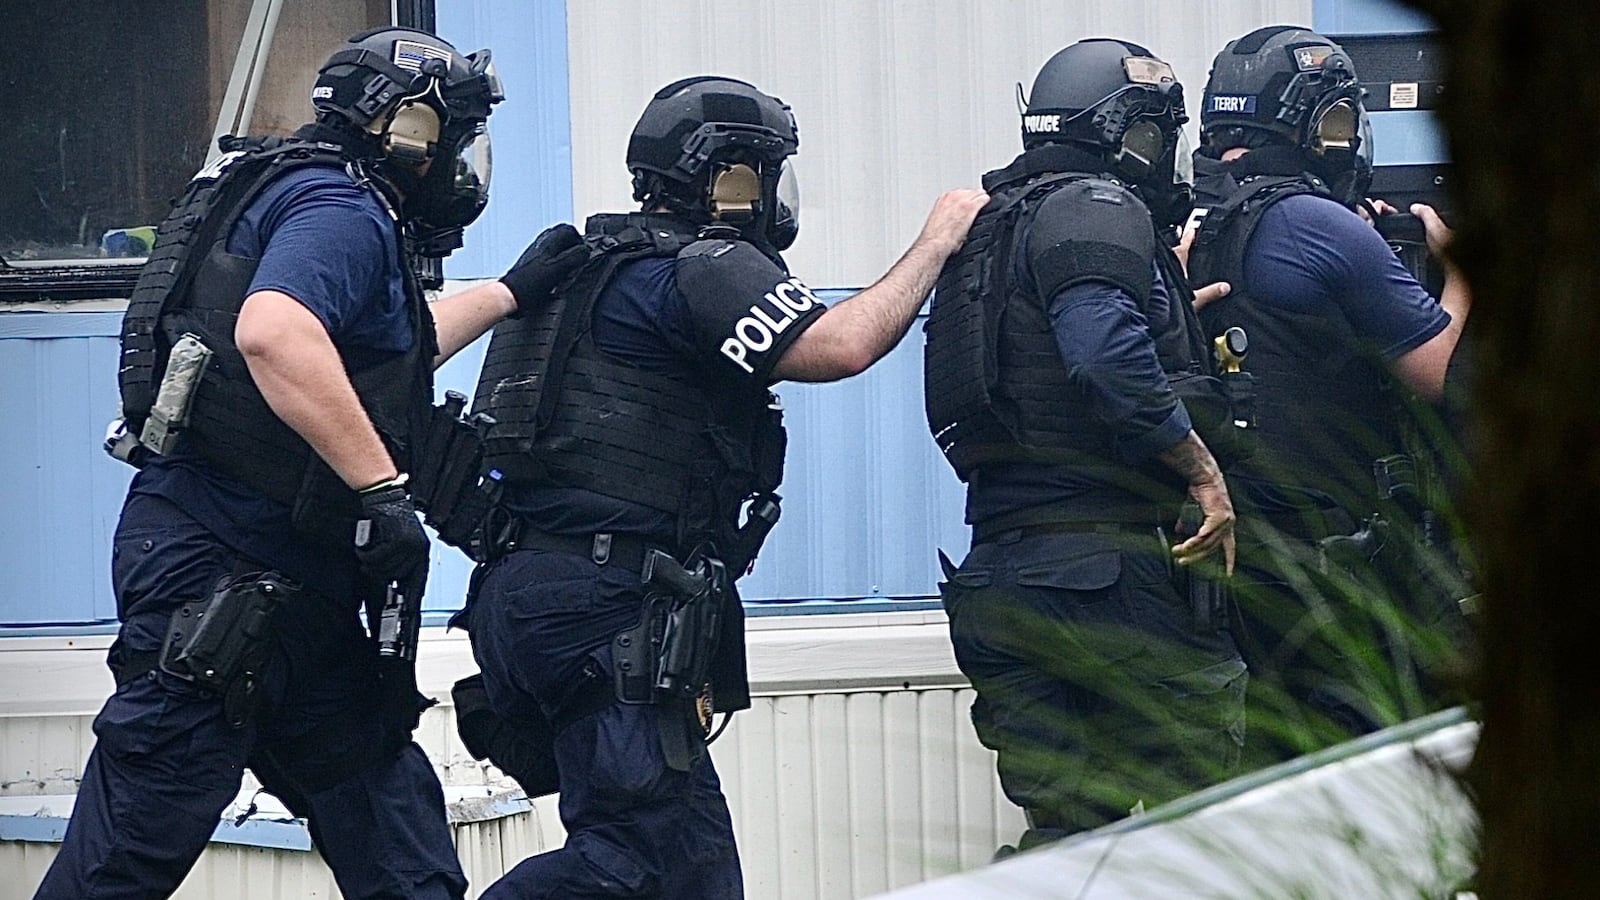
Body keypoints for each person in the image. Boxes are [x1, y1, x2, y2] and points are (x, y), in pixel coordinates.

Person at [33, 26, 541, 900]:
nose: (463, 164)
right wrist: (381, 490)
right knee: (125, 861)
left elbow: (369, 372)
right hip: (223, 581)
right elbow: (273, 333)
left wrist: (509, 292)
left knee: (401, 851)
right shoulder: (342, 211)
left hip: (288, 585)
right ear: (410, 132)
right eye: (455, 136)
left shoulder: (293, 190)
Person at [454, 76, 987, 898]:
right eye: (768, 174)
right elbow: (838, 347)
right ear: (731, 178)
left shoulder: (571, 270)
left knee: (695, 877)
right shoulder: (703, 267)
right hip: (603, 608)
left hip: (528, 599)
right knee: (631, 862)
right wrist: (936, 242)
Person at [923, 39, 1249, 848]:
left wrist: (1160, 293)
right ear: (1128, 133)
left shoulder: (995, 228)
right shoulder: (1098, 205)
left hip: (1001, 575)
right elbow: (1102, 356)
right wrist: (1203, 472)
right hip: (1108, 576)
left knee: (1069, 842)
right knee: (1200, 829)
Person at [1182, 25, 1472, 764]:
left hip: (1245, 556)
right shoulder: (1319, 223)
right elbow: (1442, 372)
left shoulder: (1198, 226)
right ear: (1312, 124)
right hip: (1336, 562)